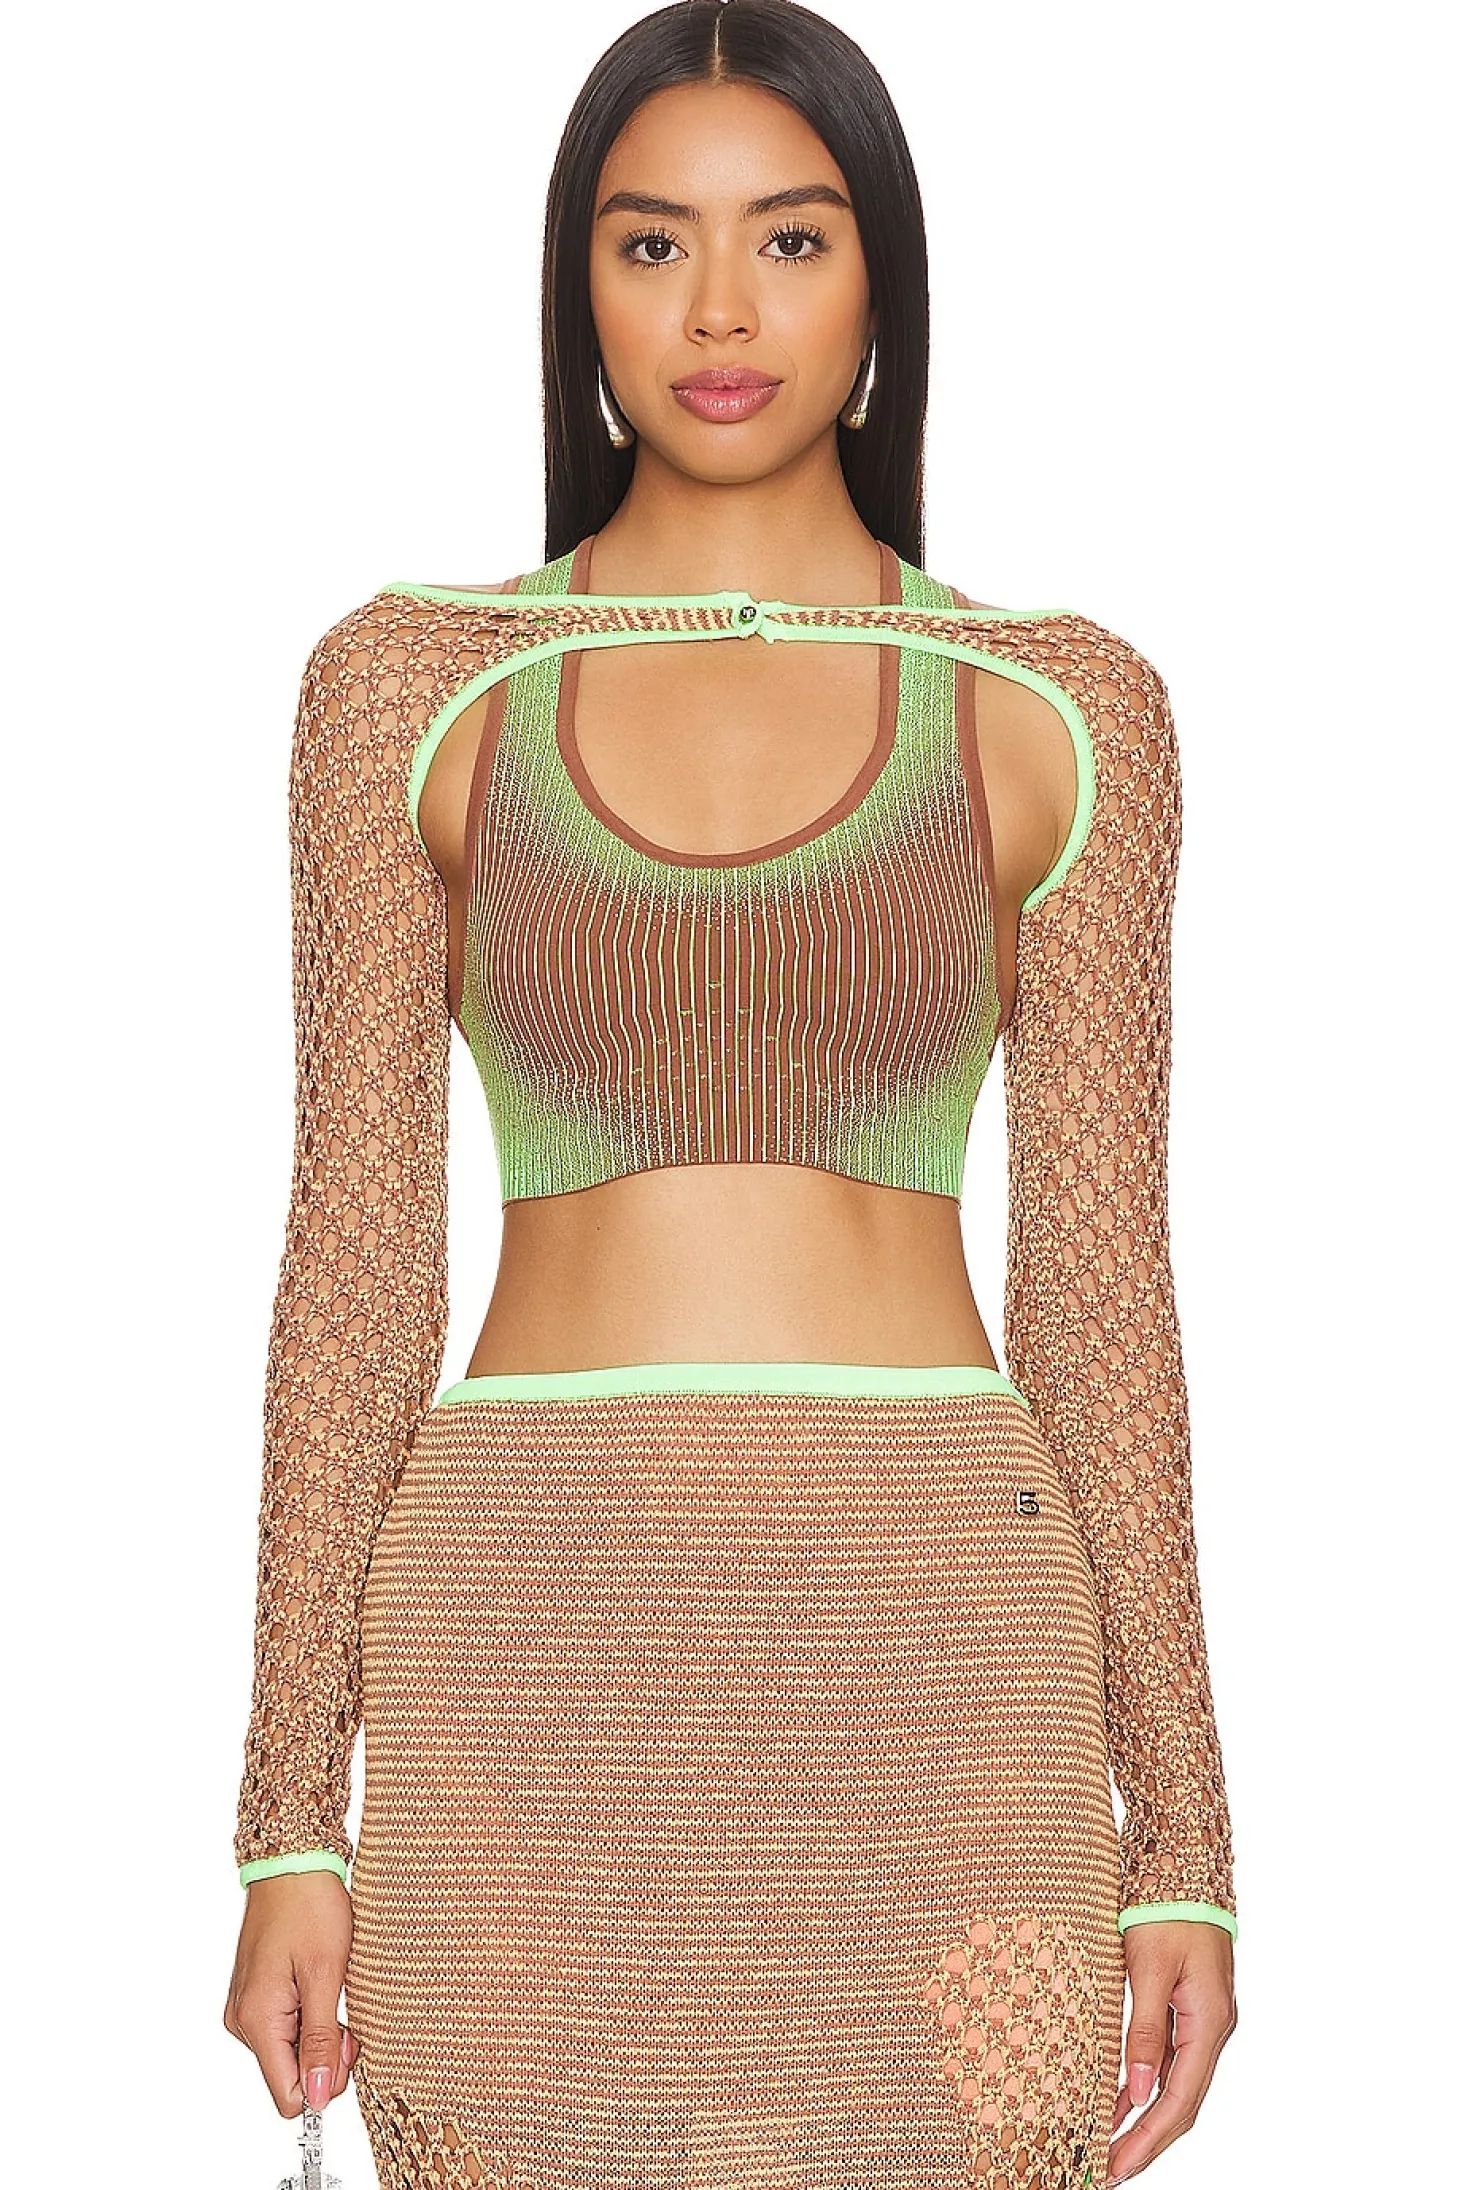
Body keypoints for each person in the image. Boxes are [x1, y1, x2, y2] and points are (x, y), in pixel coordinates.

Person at [222, 5, 1238, 2186]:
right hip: (526, 1649)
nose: (716, 312)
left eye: (788, 239)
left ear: (883, 280)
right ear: (575, 285)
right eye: (648, 242)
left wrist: (1185, 1846)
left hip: (943, 1654)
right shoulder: (405, 689)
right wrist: (287, 1821)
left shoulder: (1064, 708)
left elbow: (1102, 1304)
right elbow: (355, 1270)